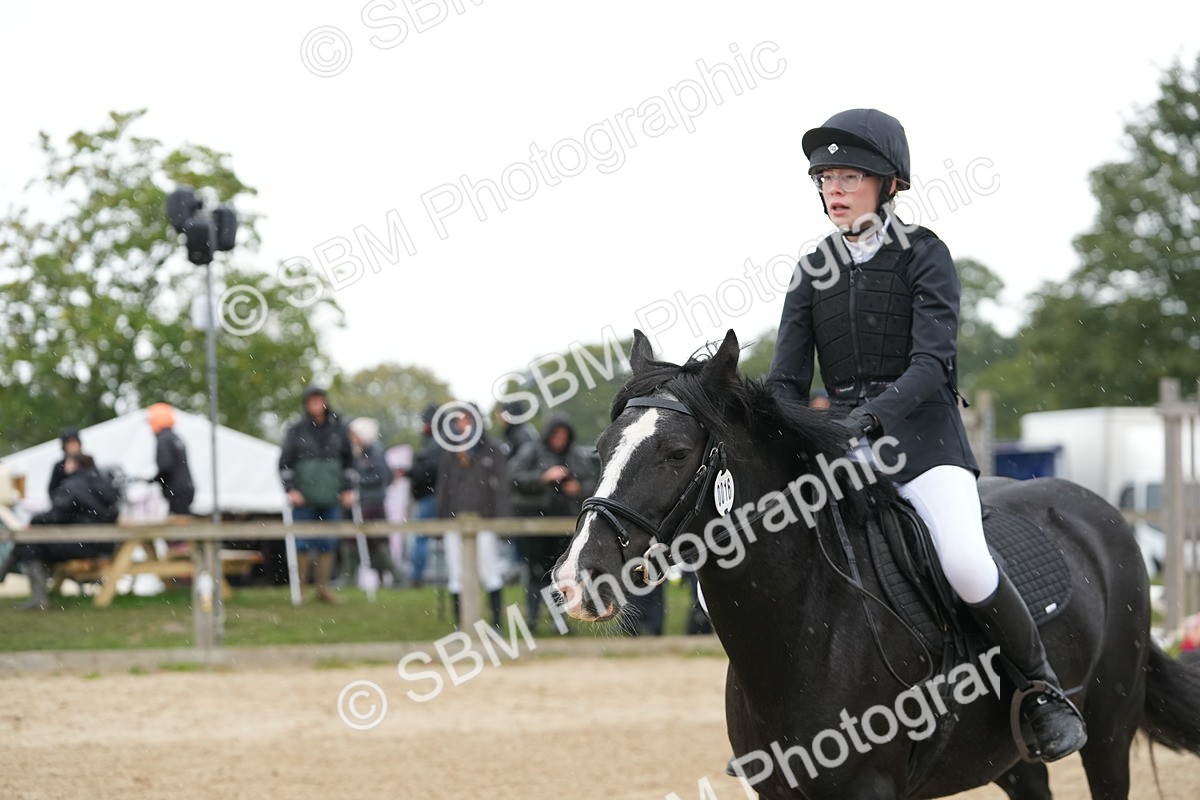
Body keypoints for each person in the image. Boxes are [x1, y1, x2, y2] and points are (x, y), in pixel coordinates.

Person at [768, 108, 1086, 761]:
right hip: (842, 451)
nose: (834, 188)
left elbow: (930, 363)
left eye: (849, 176)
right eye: (825, 178)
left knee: (965, 560)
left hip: (924, 445)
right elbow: (785, 381)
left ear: (888, 184)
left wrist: (868, 418)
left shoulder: (925, 255)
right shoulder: (811, 269)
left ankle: (1041, 690)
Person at [508, 415, 597, 631]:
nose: (560, 441)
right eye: (556, 436)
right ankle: (532, 621)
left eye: (563, 437)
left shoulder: (575, 455)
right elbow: (513, 476)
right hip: (534, 524)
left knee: (561, 573)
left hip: (566, 525)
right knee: (534, 573)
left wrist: (578, 489)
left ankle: (559, 621)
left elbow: (592, 482)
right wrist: (543, 477)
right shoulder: (532, 451)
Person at [0, 453, 118, 610]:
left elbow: (57, 514)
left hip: (82, 545)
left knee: (29, 546)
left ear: (74, 464)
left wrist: (34, 521)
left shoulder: (73, 485)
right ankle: (4, 574)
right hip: (104, 545)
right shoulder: (104, 484)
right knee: (28, 543)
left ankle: (37, 598)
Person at [279, 385, 354, 604]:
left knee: (328, 542)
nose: (316, 404)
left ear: (325, 401)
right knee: (302, 542)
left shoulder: (339, 428)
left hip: (331, 496)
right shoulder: (296, 430)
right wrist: (291, 489)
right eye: (311, 400)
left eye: (319, 399)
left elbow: (349, 461)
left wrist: (348, 488)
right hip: (304, 498)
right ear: (306, 404)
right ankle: (300, 589)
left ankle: (323, 589)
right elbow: (285, 462)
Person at [436, 404, 509, 628]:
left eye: (467, 419)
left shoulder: (492, 451)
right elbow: (443, 490)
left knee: (490, 573)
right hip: (454, 522)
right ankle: (462, 626)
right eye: (459, 420)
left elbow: (501, 490)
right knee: (457, 575)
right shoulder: (449, 453)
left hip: (484, 522)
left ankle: (495, 625)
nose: (463, 424)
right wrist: (440, 524)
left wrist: (502, 524)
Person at [343, 416, 396, 583]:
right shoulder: (358, 452)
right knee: (361, 540)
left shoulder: (375, 452)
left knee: (374, 540)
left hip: (372, 503)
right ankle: (350, 577)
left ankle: (395, 575)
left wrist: (360, 483)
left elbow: (383, 476)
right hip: (364, 503)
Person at [407, 404, 443, 588]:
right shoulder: (436, 440)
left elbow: (430, 470)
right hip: (430, 495)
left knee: (421, 538)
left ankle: (417, 577)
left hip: (430, 496)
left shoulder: (435, 442)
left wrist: (411, 471)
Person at [147, 403, 195, 516]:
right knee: (182, 517)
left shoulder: (164, 440)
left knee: (177, 521)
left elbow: (165, 466)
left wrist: (152, 480)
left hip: (176, 490)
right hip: (186, 487)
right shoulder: (175, 437)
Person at [48, 427, 83, 496]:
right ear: (64, 446)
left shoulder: (87, 462)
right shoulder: (59, 466)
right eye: (69, 443)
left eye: (74, 442)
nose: (72, 446)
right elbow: (53, 492)